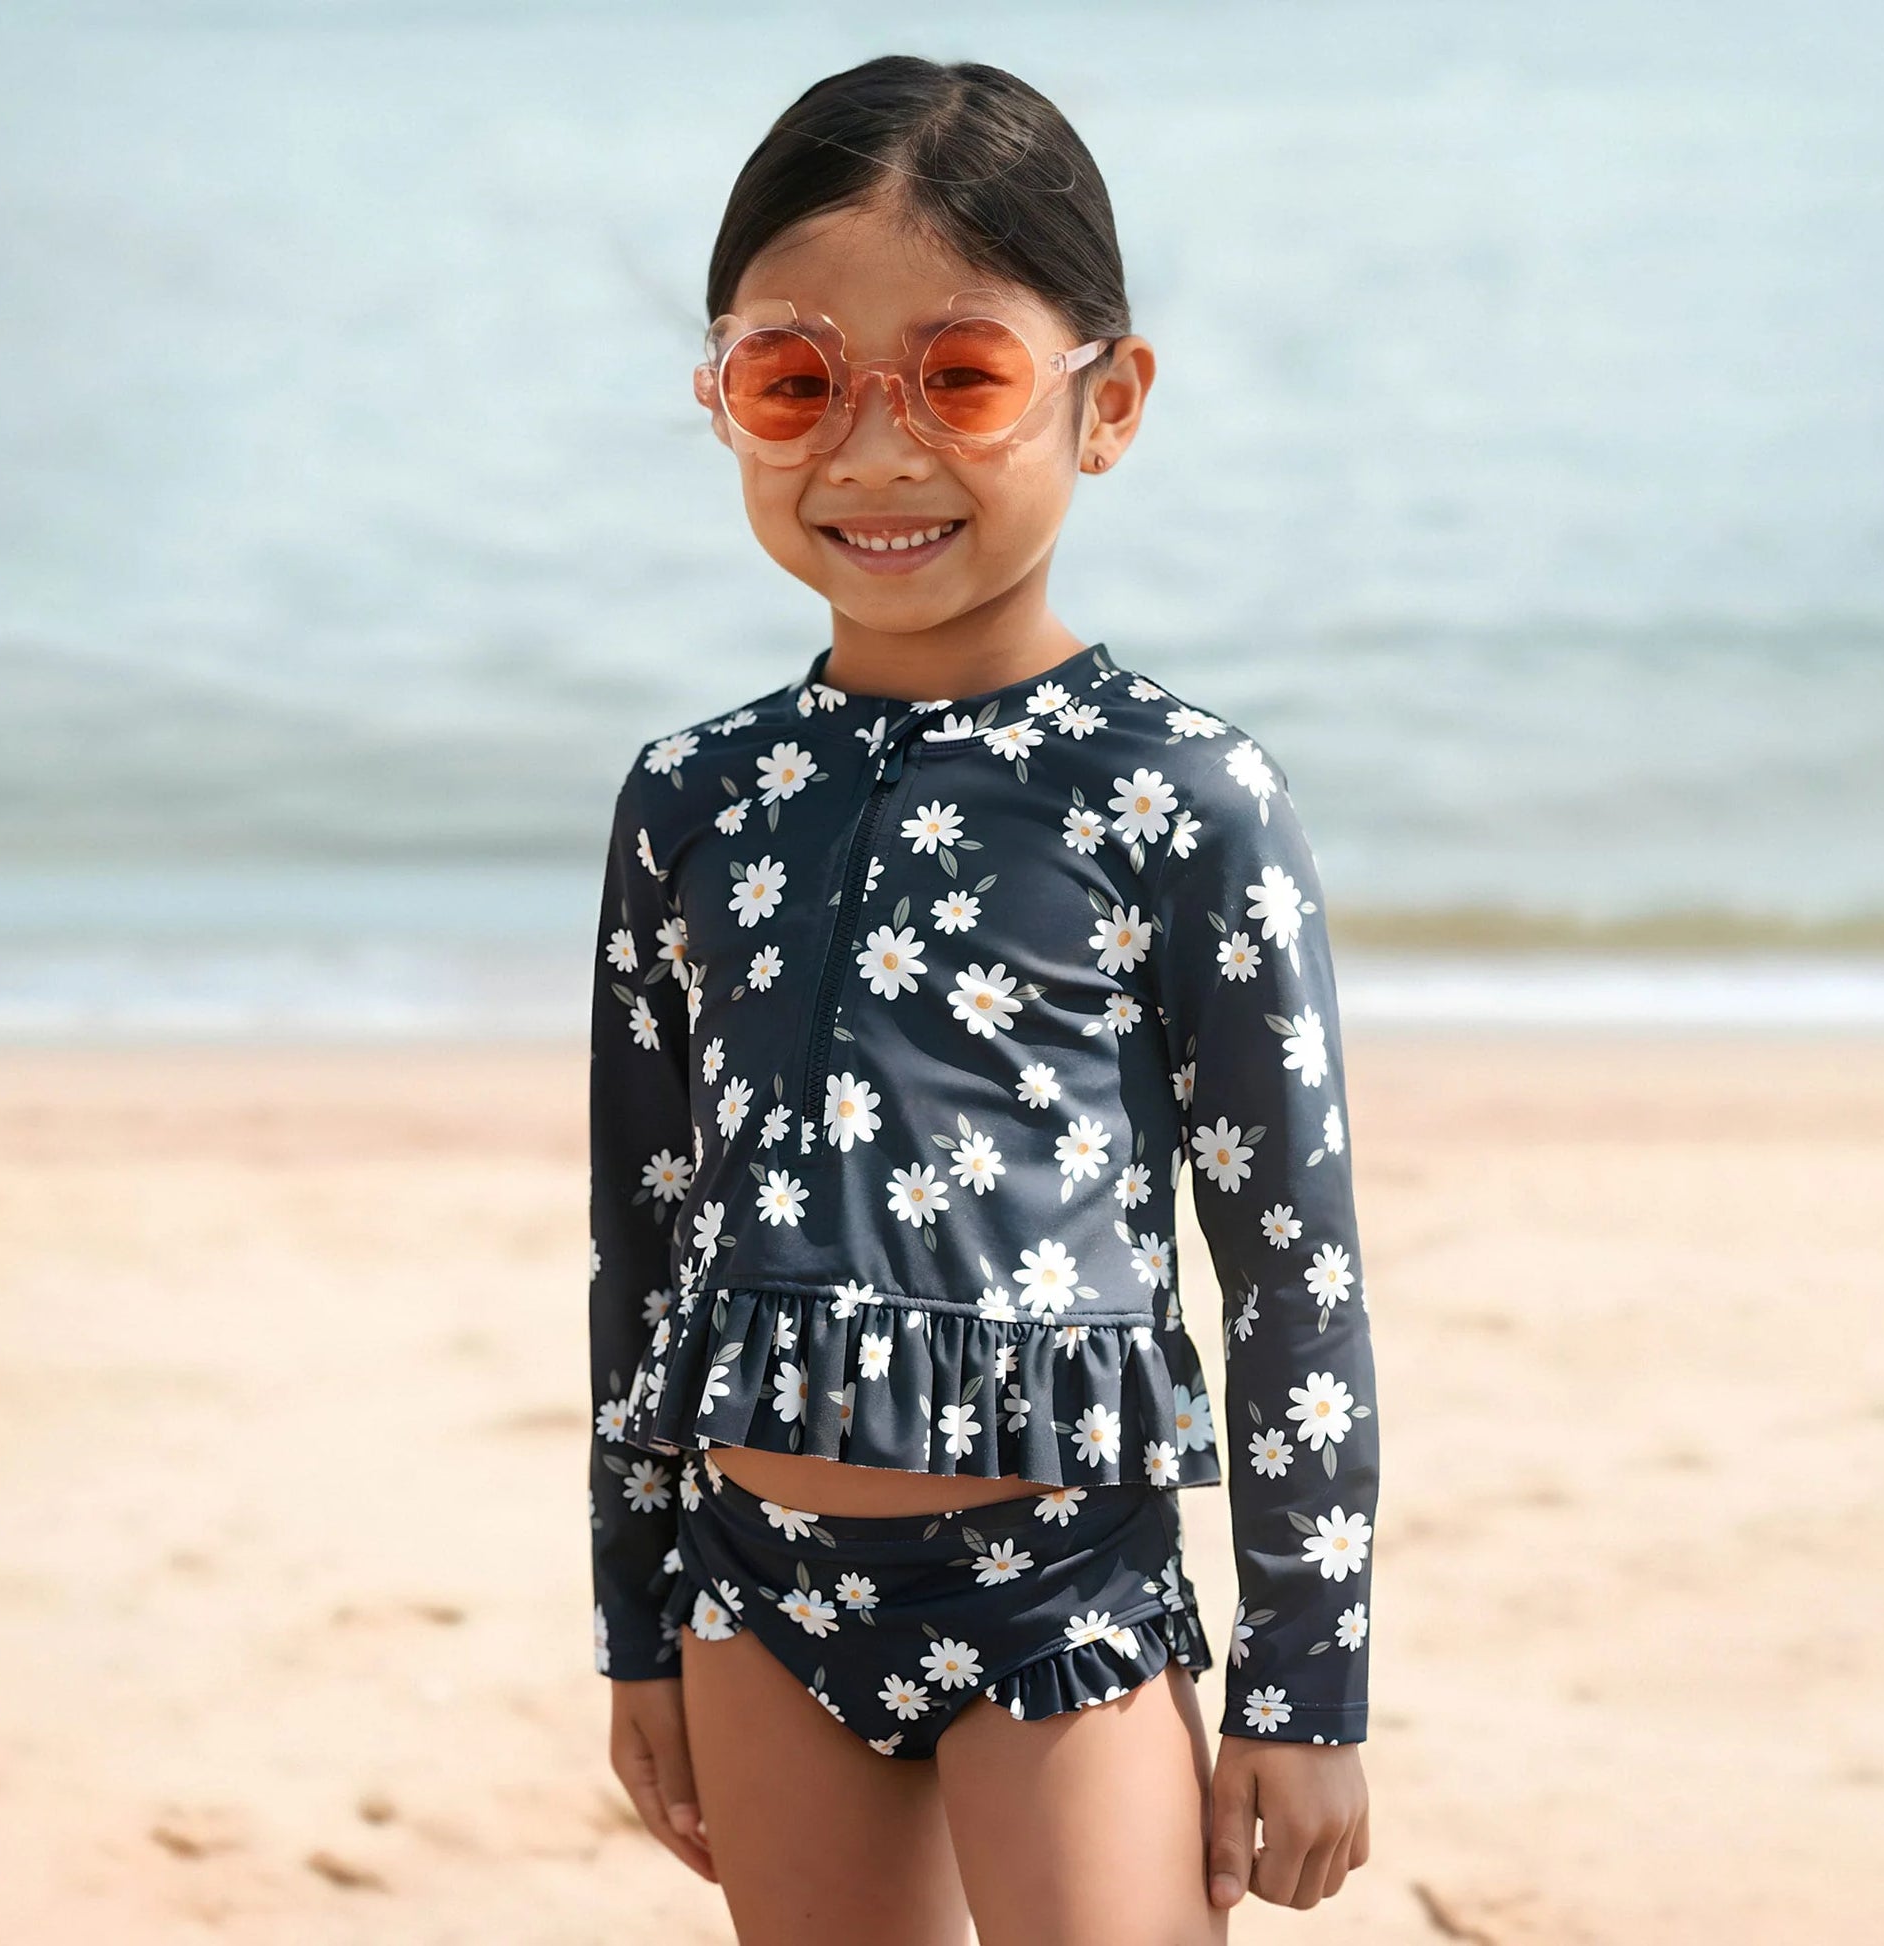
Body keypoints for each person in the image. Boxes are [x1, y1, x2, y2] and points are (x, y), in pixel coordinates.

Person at [588, 55, 1379, 1944]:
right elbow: (641, 1235)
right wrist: (635, 1622)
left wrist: (1305, 1685)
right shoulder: (691, 799)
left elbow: (1287, 1261)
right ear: (720, 396)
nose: (870, 458)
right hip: (753, 1592)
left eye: (957, 377)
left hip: (1060, 1592)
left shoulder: (1178, 796)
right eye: (794, 382)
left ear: (1108, 401)